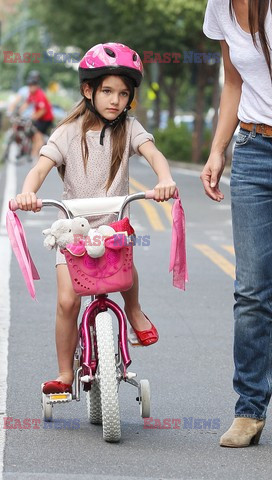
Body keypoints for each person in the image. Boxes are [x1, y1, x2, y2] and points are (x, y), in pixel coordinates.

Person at [15, 42, 177, 395]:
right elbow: (39, 169)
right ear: (88, 90)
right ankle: (63, 373)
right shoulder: (67, 133)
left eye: (122, 93)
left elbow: (155, 155)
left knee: (125, 260)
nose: (115, 100)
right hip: (72, 232)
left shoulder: (130, 129)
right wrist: (28, 193)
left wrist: (164, 179)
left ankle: (133, 311)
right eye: (106, 91)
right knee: (67, 300)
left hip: (113, 226)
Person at [201, 0, 272, 447]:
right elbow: (233, 81)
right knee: (251, 291)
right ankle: (249, 410)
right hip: (252, 151)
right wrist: (217, 150)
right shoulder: (221, 7)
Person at [20, 70, 54, 160]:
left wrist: (33, 116)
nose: (30, 88)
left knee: (38, 137)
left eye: (32, 86)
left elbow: (43, 110)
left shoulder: (40, 95)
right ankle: (35, 154)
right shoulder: (32, 94)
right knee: (35, 136)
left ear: (36, 86)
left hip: (46, 119)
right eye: (29, 86)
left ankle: (35, 156)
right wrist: (19, 112)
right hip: (40, 119)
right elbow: (26, 103)